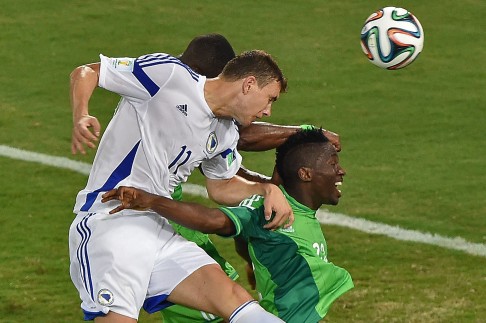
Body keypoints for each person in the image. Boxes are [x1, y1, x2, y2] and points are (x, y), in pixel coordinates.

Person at [69, 46, 295, 323]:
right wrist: (81, 114)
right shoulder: (170, 76)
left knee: (238, 302)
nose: (268, 111)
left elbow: (221, 187)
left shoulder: (224, 132)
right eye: (269, 99)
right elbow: (87, 72)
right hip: (111, 224)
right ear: (249, 84)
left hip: (159, 231)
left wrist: (266, 189)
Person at [102, 128, 354, 323]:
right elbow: (214, 221)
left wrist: (249, 259)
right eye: (333, 164)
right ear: (305, 174)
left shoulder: (292, 207)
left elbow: (251, 229)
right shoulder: (268, 210)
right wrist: (151, 201)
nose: (341, 171)